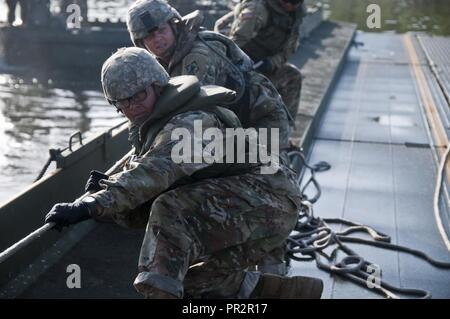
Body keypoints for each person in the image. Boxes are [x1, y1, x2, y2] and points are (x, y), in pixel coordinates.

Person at [44, 47, 323, 299]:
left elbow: (153, 174)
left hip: (269, 202)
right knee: (195, 283)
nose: (133, 107)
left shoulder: (190, 123)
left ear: (158, 84)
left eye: (139, 95)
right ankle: (289, 294)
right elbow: (143, 194)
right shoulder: (156, 126)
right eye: (122, 103)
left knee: (170, 210)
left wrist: (90, 205)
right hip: (254, 205)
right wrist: (108, 192)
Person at [126, 0, 293, 152]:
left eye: (162, 30)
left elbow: (186, 116)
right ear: (141, 42)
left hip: (262, 123)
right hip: (233, 123)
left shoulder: (197, 56)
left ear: (173, 26)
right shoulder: (163, 62)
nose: (157, 39)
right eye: (149, 36)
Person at [223, 0, 305, 125]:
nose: (290, 5)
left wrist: (271, 63)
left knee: (293, 75)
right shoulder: (258, 8)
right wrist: (242, 67)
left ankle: (283, 132)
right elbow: (233, 44)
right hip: (236, 65)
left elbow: (289, 49)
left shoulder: (296, 14)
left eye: (295, 2)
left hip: (263, 65)